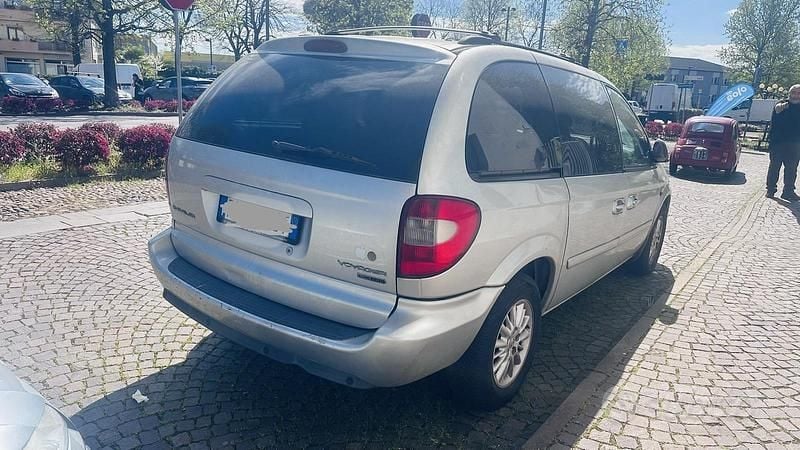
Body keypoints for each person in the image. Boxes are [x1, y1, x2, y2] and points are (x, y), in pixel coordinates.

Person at [766, 84, 800, 200]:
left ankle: (788, 191)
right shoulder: (782, 104)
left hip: (795, 144)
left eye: (798, 93)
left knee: (792, 169)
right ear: (789, 94)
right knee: (774, 167)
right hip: (778, 143)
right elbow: (777, 109)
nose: (796, 95)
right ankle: (770, 190)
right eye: (793, 93)